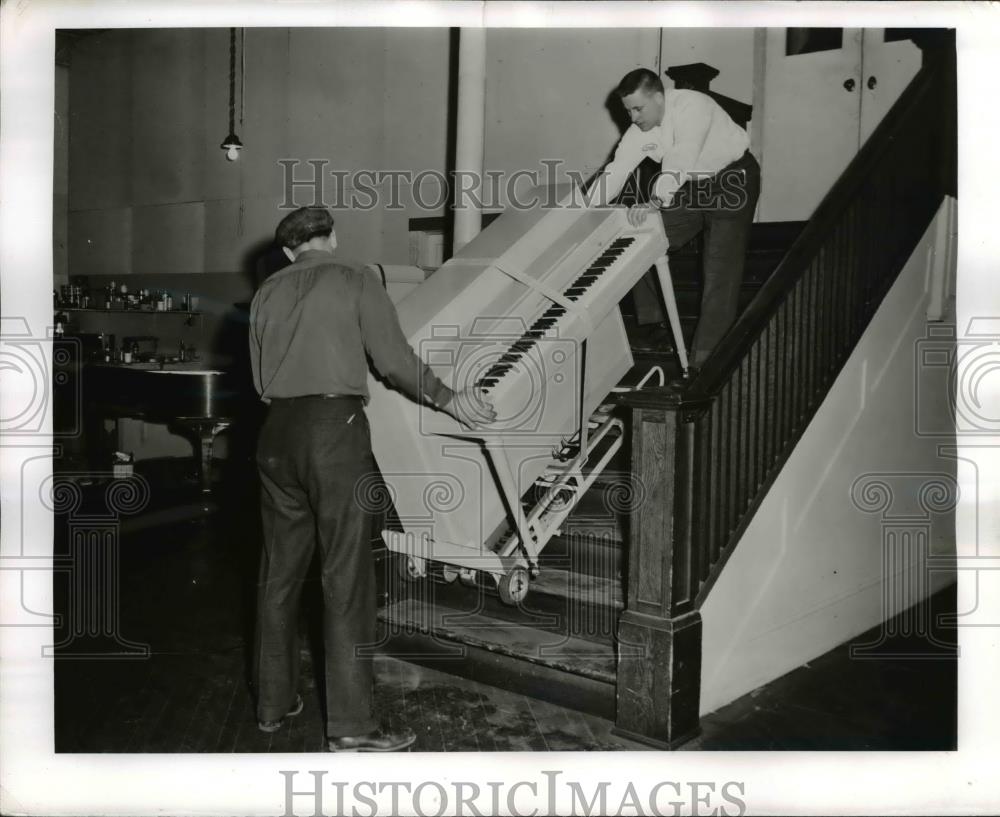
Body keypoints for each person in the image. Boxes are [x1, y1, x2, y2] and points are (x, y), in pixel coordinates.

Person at [248, 206, 495, 752]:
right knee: (346, 578)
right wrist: (450, 400)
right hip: (332, 433)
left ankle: (272, 703)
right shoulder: (353, 275)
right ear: (331, 237)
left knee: (279, 573)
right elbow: (393, 359)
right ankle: (353, 728)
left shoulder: (266, 292)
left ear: (288, 252)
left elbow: (261, 378)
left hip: (274, 436)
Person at [594, 67, 761, 368]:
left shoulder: (693, 105)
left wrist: (656, 200)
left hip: (734, 180)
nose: (632, 118)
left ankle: (705, 363)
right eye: (628, 110)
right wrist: (581, 212)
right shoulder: (638, 132)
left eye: (637, 109)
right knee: (636, 241)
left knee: (719, 269)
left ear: (659, 97)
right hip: (691, 187)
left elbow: (681, 155)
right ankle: (653, 325)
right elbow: (615, 172)